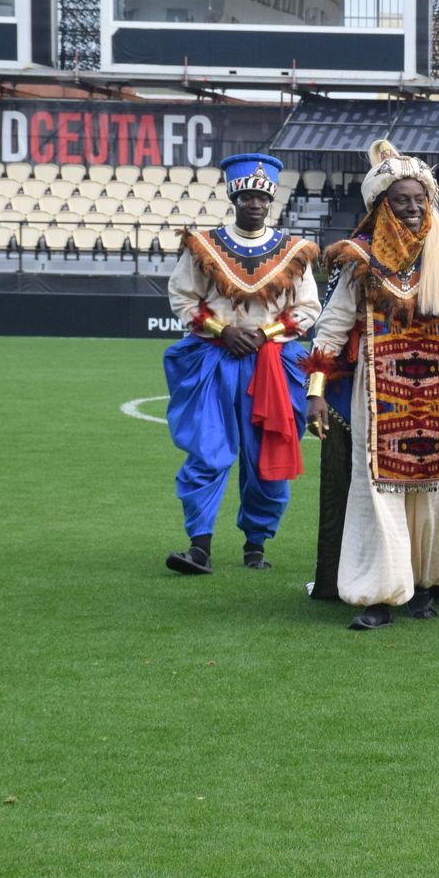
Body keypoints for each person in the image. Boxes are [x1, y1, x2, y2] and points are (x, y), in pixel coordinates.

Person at [304, 140, 439, 630]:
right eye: (402, 200)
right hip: (379, 396)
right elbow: (329, 330)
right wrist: (313, 394)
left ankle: (426, 585)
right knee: (377, 494)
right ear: (380, 205)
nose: (413, 209)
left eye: (420, 199)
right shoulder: (357, 259)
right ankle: (377, 596)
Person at [162, 153, 321, 575]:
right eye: (247, 195)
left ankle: (256, 545)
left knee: (266, 455)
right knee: (207, 452)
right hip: (214, 359)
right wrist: (222, 330)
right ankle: (200, 546)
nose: (254, 203)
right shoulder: (204, 246)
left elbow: (308, 308)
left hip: (273, 362)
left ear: (270, 201)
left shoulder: (294, 252)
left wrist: (263, 334)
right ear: (234, 197)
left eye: (261, 197)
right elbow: (182, 297)